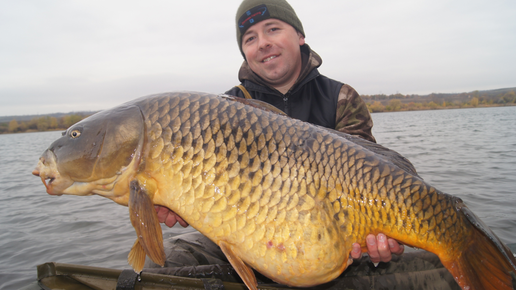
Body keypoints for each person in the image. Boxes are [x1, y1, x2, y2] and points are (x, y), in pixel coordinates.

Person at [151, 0, 405, 282]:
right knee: (164, 260)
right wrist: (178, 200)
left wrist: (379, 238)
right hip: (245, 236)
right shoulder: (223, 110)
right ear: (245, 52)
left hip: (328, 242)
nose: (262, 43)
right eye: (250, 38)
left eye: (272, 29)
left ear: (299, 36)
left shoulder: (339, 98)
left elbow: (371, 182)